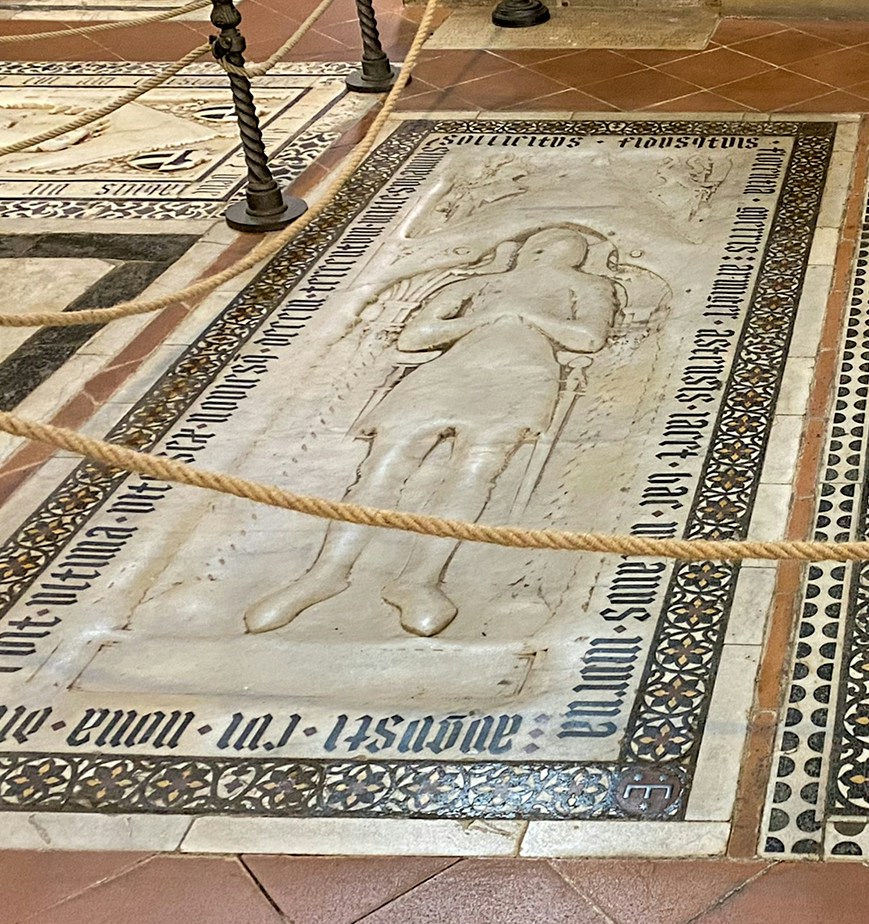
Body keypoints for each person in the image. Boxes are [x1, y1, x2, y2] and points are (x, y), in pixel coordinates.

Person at [245, 227, 620, 638]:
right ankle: (325, 574)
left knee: (473, 474)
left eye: (566, 250)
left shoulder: (587, 286)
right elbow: (416, 334)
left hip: (520, 380)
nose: (550, 254)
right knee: (381, 471)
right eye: (544, 247)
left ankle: (420, 579)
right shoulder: (478, 285)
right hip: (445, 374)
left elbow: (588, 337)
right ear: (529, 249)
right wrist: (482, 319)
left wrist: (526, 317)